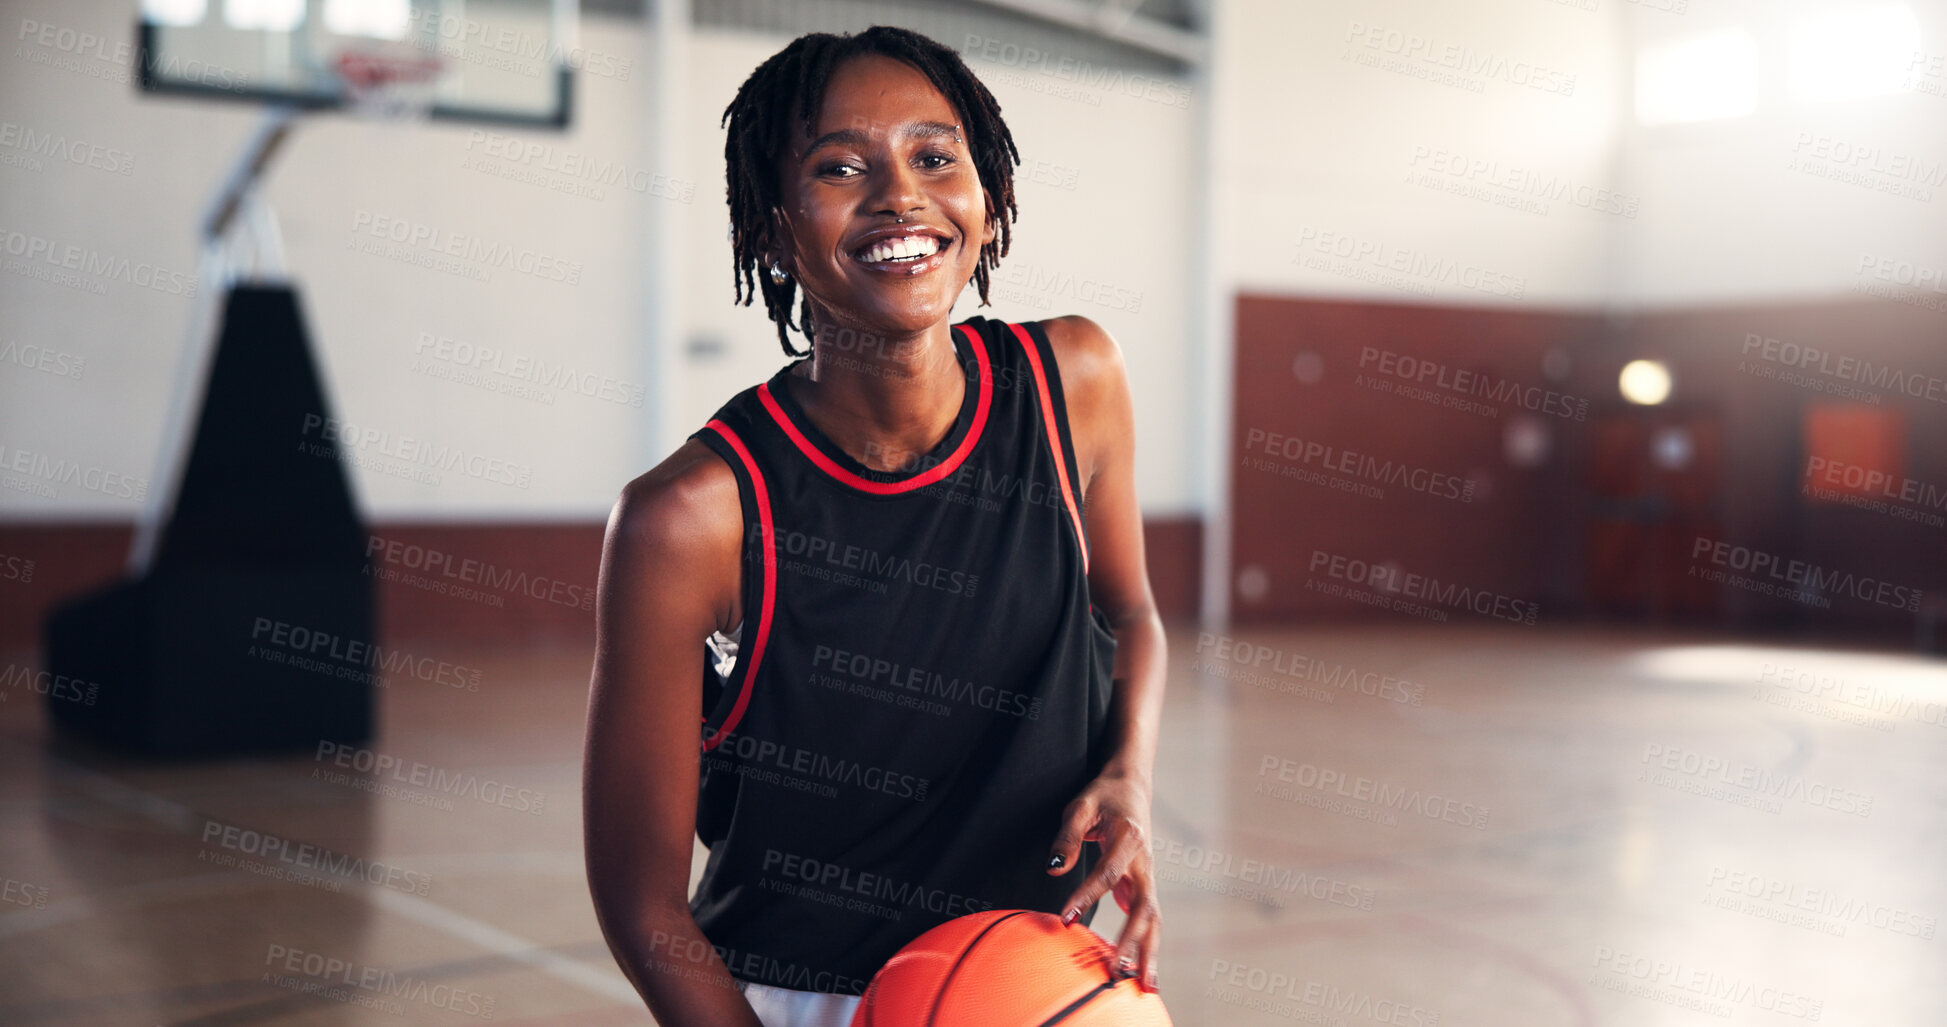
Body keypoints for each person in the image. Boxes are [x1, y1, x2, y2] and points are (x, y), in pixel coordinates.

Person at [582, 25, 1166, 1027]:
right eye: (841, 167)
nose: (901, 195)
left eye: (935, 157)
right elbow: (643, 905)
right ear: (773, 231)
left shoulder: (1075, 383)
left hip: (1043, 982)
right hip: (805, 1001)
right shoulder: (690, 517)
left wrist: (1129, 775)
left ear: (989, 197)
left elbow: (1130, 615)